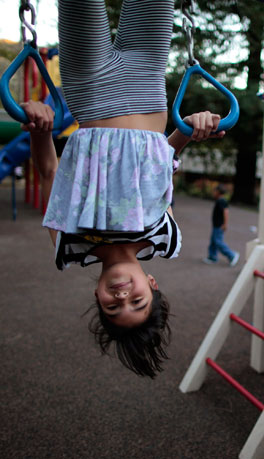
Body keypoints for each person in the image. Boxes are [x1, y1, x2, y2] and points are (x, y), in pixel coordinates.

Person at [24, 0, 226, 378]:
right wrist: (193, 126)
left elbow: (50, 172)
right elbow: (160, 162)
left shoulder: (70, 244)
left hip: (91, 85)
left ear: (97, 297)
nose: (121, 297)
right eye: (137, 301)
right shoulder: (161, 234)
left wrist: (41, 130)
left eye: (114, 307)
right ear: (152, 283)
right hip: (146, 79)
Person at [203, 184, 239, 266]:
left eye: (214, 191)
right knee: (213, 241)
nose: (213, 193)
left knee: (218, 242)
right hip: (216, 225)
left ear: (218, 192)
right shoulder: (219, 200)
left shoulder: (221, 201)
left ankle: (231, 255)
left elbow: (226, 212)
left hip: (219, 226)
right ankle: (212, 257)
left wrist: (225, 224)